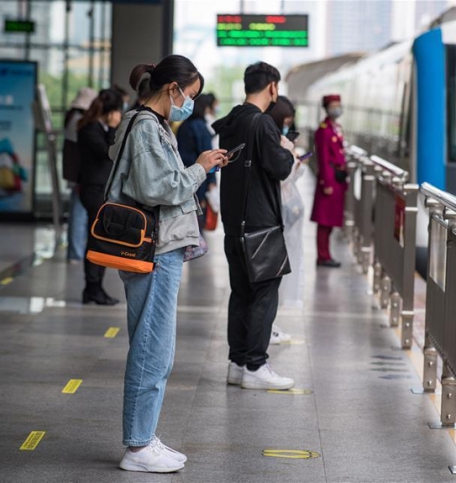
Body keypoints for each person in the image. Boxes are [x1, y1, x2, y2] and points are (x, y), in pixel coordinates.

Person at [107, 56, 227, 473]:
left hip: (159, 247)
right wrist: (200, 168)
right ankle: (138, 447)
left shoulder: (151, 123)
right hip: (154, 249)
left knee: (156, 345)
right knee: (152, 348)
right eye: (189, 95)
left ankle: (144, 436)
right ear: (172, 89)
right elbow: (158, 187)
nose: (189, 103)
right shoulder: (144, 127)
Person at [212, 62, 295, 390]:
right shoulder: (262, 123)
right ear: (272, 87)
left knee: (242, 293)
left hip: (234, 222)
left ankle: (237, 363)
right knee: (264, 293)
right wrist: (287, 151)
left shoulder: (231, 121)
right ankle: (256, 365)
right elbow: (279, 168)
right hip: (260, 222)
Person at [78, 89, 124, 305]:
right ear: (109, 111)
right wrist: (113, 129)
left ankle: (94, 288)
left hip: (99, 189)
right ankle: (93, 287)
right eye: (117, 112)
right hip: (93, 190)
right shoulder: (90, 129)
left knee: (99, 238)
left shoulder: (97, 127)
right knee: (97, 238)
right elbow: (107, 152)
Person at [268, 96, 304, 343]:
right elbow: (280, 176)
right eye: (286, 121)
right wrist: (290, 158)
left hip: (283, 217)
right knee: (270, 279)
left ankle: (269, 326)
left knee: (277, 278)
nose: (287, 127)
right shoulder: (272, 142)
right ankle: (265, 331)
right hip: (274, 217)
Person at [311, 94, 347, 268]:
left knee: (330, 220)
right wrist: (326, 183)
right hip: (330, 181)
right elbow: (323, 158)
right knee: (324, 222)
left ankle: (326, 254)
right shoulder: (323, 130)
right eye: (333, 105)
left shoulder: (336, 128)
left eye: (338, 105)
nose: (337, 108)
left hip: (338, 180)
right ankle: (323, 256)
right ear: (326, 108)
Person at [62, 87, 96, 263]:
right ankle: (75, 253)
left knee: (78, 213)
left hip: (75, 174)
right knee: (78, 214)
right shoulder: (78, 121)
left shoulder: (72, 118)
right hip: (79, 174)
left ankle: (75, 251)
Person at [176, 93, 215, 228]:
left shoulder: (183, 126)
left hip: (183, 175)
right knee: (198, 215)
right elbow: (208, 156)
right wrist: (211, 180)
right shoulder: (200, 127)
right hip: (199, 176)